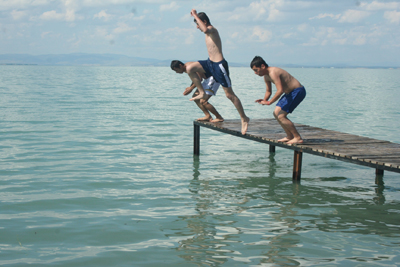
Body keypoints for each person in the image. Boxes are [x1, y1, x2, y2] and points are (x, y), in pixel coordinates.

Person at [188, 9, 250, 135]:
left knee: (229, 95)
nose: (197, 27)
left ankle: (244, 118)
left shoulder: (212, 29)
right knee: (190, 68)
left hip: (219, 66)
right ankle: (201, 92)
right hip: (209, 63)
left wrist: (195, 14)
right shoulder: (207, 32)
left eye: (198, 24)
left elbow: (205, 29)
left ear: (204, 21)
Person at [251, 56, 306, 144]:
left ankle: (297, 137)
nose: (255, 73)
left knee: (281, 116)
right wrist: (264, 100)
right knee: (276, 113)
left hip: (297, 91)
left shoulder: (273, 72)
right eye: (254, 71)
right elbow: (268, 91)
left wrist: (269, 102)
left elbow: (280, 90)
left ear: (262, 66)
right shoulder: (266, 76)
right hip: (289, 93)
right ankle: (289, 136)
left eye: (256, 70)